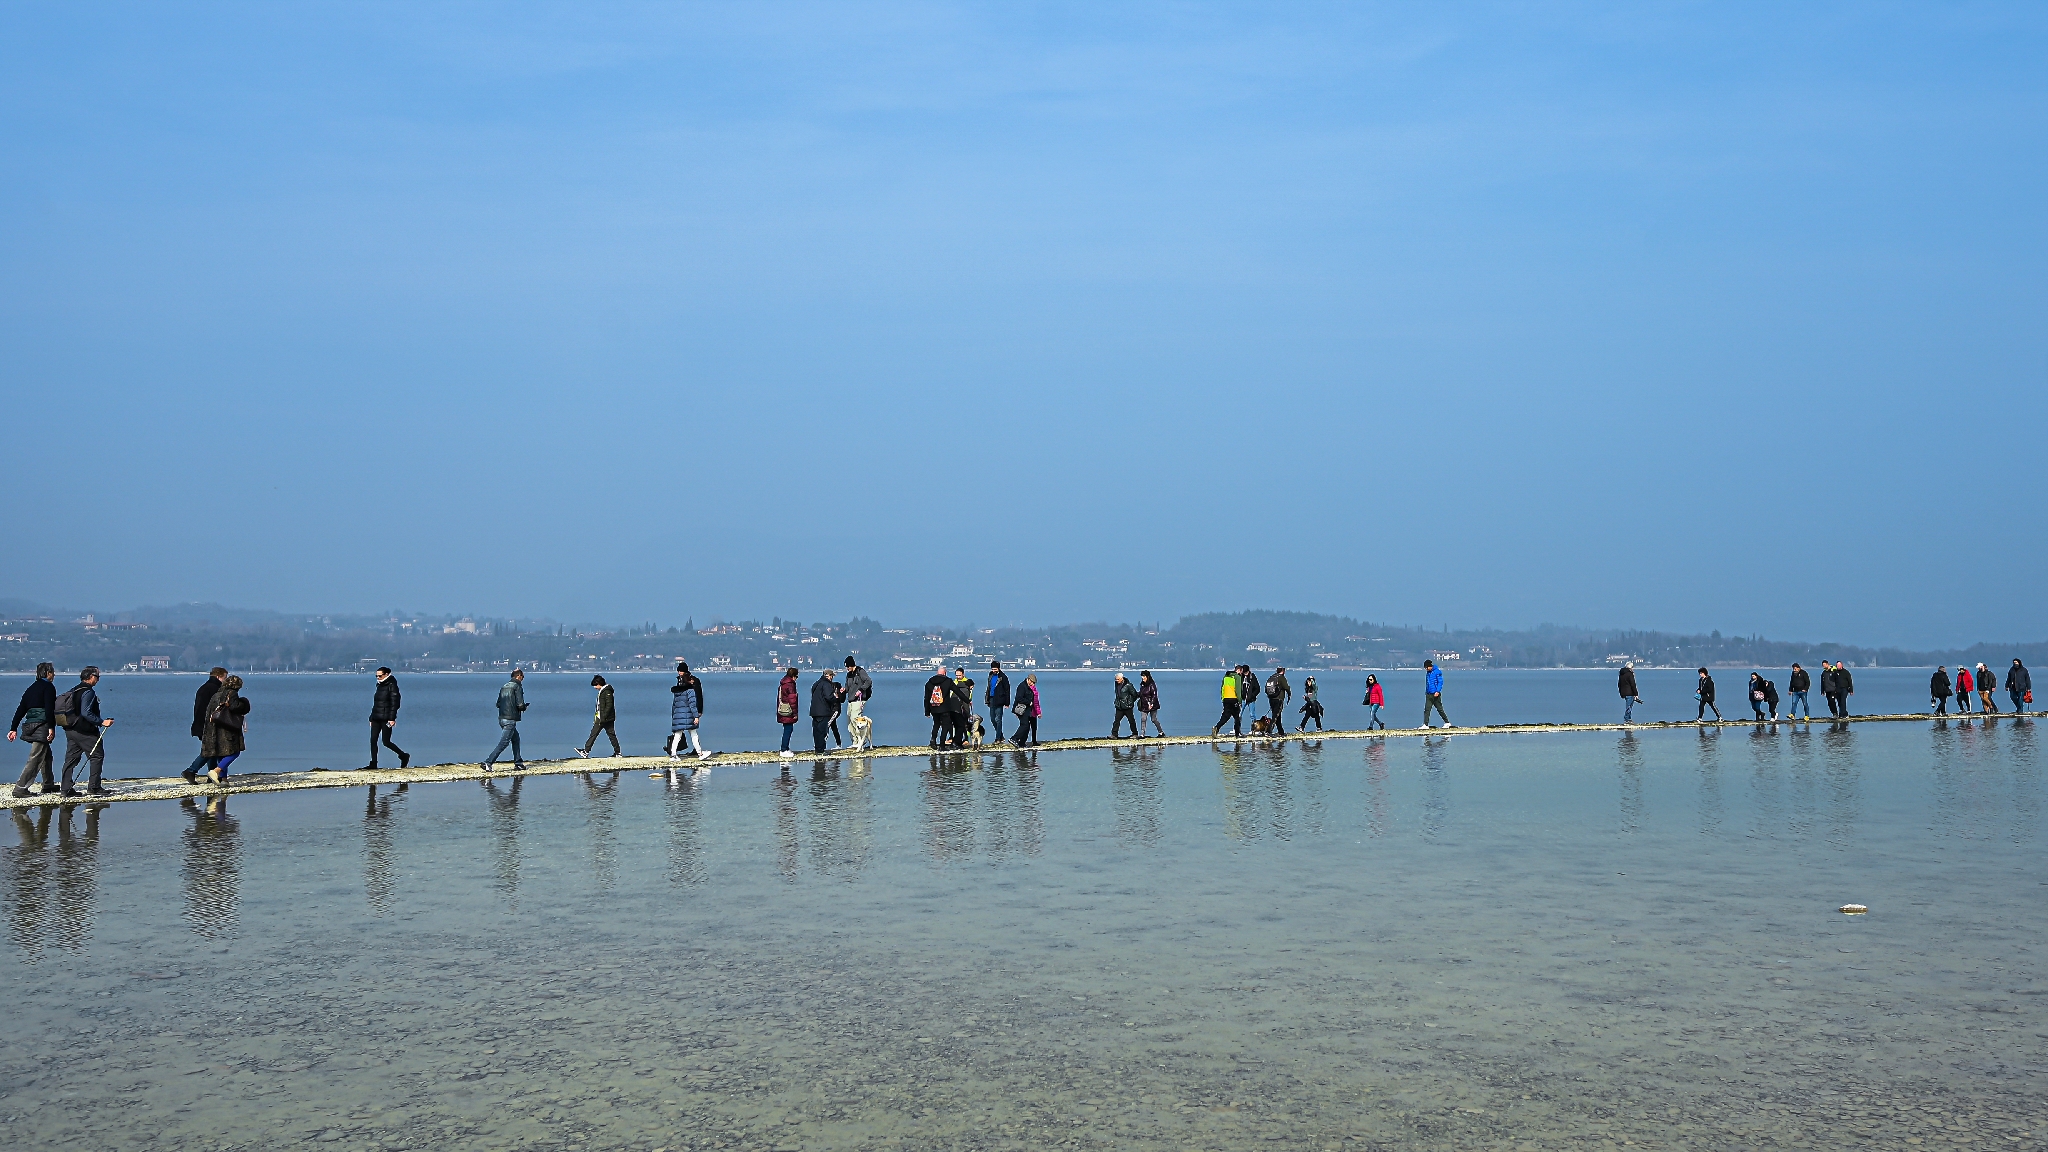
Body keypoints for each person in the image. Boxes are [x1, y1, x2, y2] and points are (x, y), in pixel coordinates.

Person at [57, 666, 114, 796]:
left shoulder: (74, 690)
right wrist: (102, 722)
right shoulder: (88, 692)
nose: (98, 680)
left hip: (70, 729)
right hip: (85, 731)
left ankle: (65, 789)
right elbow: (86, 712)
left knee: (70, 759)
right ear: (91, 677)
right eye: (97, 677)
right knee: (97, 756)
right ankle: (94, 787)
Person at [8, 662, 59, 798]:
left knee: (46, 756)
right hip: (41, 725)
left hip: (30, 725)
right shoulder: (48, 687)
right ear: (48, 673)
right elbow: (49, 709)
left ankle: (48, 784)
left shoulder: (31, 688)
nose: (54, 675)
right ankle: (20, 789)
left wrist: (13, 728)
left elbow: (21, 709)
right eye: (53, 672)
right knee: (35, 757)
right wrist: (51, 727)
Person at [200, 674, 251, 785]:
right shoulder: (232, 693)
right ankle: (216, 771)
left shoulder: (216, 695)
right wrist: (244, 703)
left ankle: (224, 779)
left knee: (222, 753)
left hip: (215, 728)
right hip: (228, 727)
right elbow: (234, 707)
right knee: (234, 752)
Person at [482, 668, 527, 772]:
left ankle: (518, 762)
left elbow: (498, 704)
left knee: (516, 739)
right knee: (504, 743)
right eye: (522, 677)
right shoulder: (517, 686)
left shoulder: (504, 687)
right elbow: (520, 705)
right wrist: (524, 707)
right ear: (518, 676)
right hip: (510, 719)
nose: (523, 679)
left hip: (502, 718)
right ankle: (488, 762)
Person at [364, 667, 410, 770]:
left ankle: (403, 756)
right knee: (373, 740)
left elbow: (395, 704)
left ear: (387, 674)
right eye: (376, 676)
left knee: (386, 742)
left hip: (386, 719)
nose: (378, 678)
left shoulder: (392, 685)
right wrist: (371, 717)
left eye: (380, 676)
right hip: (376, 717)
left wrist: (392, 719)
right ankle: (373, 763)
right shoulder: (379, 685)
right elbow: (376, 703)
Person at [669, 663, 709, 759]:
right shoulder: (690, 690)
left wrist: (674, 715)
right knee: (693, 733)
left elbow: (675, 704)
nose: (679, 673)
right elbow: (693, 702)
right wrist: (697, 714)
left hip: (678, 715)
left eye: (680, 671)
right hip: (689, 713)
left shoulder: (677, 690)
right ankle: (700, 753)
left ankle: (673, 754)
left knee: (678, 734)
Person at [580, 674, 621, 758]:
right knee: (611, 735)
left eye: (595, 685)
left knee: (594, 734)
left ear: (599, 683)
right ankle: (617, 753)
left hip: (604, 718)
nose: (595, 687)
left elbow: (609, 705)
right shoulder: (604, 691)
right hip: (605, 717)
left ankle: (585, 751)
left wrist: (603, 717)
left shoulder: (607, 692)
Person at [843, 657, 874, 751]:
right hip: (851, 699)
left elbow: (868, 681)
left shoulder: (860, 671)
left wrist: (861, 689)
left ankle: (861, 741)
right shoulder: (848, 675)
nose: (847, 668)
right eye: (846, 667)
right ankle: (855, 741)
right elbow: (848, 687)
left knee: (855, 718)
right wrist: (844, 689)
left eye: (848, 666)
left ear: (852, 665)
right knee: (849, 720)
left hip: (859, 699)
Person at [809, 669, 842, 754]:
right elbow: (829, 697)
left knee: (816, 731)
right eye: (831, 676)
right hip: (823, 711)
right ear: (828, 676)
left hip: (814, 710)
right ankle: (820, 750)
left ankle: (817, 748)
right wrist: (836, 698)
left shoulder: (816, 684)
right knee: (822, 731)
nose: (832, 678)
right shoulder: (826, 684)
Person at [924, 667, 954, 747]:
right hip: (945, 708)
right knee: (945, 726)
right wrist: (967, 700)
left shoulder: (929, 683)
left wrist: (927, 711)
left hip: (934, 707)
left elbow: (926, 698)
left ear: (937, 673)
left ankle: (933, 741)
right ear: (945, 673)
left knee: (936, 724)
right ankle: (942, 744)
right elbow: (957, 691)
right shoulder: (948, 681)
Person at [1211, 666, 1243, 738]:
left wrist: (1223, 698)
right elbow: (1238, 690)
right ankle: (1237, 734)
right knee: (1237, 717)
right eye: (1241, 671)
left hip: (1226, 699)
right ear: (1238, 670)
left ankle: (1217, 728)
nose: (1241, 673)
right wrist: (1240, 701)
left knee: (1226, 716)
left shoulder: (1226, 677)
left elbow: (1222, 688)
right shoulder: (1237, 677)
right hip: (1234, 699)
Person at [776, 667, 801, 757]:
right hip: (788, 710)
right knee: (788, 729)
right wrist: (795, 713)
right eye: (796, 676)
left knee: (787, 729)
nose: (796, 679)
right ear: (793, 676)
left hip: (782, 709)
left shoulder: (783, 683)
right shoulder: (790, 685)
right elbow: (792, 700)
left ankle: (785, 748)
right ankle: (784, 749)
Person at [949, 667, 976, 745]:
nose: (958, 677)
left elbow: (969, 694)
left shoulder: (967, 682)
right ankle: (954, 738)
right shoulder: (954, 682)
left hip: (965, 703)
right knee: (955, 722)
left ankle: (966, 738)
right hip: (954, 703)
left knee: (965, 722)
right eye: (956, 675)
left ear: (963, 675)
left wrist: (968, 701)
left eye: (959, 675)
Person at [985, 660, 1011, 743]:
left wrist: (1007, 703)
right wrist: (987, 698)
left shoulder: (1003, 677)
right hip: (991, 699)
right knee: (992, 719)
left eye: (995, 669)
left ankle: (997, 738)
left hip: (1000, 700)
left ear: (999, 668)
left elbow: (1007, 690)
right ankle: (1001, 735)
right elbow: (988, 687)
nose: (994, 671)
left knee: (998, 719)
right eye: (993, 669)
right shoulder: (990, 675)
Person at [1012, 673, 1041, 746]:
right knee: (1025, 725)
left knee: (1027, 726)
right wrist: (1029, 702)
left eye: (1034, 683)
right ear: (1029, 680)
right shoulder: (1022, 686)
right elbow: (1018, 698)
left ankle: (1022, 743)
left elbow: (1036, 701)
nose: (1033, 684)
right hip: (1021, 709)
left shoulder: (1029, 687)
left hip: (1028, 710)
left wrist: (1038, 711)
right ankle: (1014, 738)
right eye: (1032, 682)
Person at [1422, 660, 1451, 728]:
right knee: (1427, 709)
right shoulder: (1428, 673)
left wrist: (1437, 691)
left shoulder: (1437, 672)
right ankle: (1425, 724)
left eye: (1426, 667)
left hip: (1436, 694)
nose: (1426, 669)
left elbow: (1440, 682)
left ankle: (1447, 722)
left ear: (1430, 666)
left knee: (1439, 709)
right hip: (1429, 694)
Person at [1137, 670, 1164, 736]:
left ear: (1147, 676)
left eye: (1144, 676)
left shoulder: (1152, 684)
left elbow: (1154, 695)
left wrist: (1151, 703)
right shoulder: (1142, 685)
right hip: (1144, 704)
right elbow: (1141, 693)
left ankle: (1161, 732)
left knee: (1153, 719)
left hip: (1152, 705)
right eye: (1142, 676)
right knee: (1143, 719)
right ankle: (1142, 734)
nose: (1142, 678)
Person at [1111, 673, 1139, 737]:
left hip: (1127, 706)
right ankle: (1114, 734)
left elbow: (1134, 694)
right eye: (1116, 679)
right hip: (1119, 706)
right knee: (1116, 721)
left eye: (1118, 679)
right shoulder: (1116, 684)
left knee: (1131, 720)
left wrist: (1130, 702)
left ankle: (1135, 734)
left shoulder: (1128, 685)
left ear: (1122, 678)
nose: (1116, 681)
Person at [1265, 667, 1291, 733]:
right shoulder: (1281, 677)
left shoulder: (1272, 677)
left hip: (1271, 698)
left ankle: (1281, 731)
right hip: (1278, 698)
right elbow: (1286, 687)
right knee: (1275, 715)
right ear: (1283, 671)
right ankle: (1269, 731)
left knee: (1277, 715)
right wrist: (1289, 694)